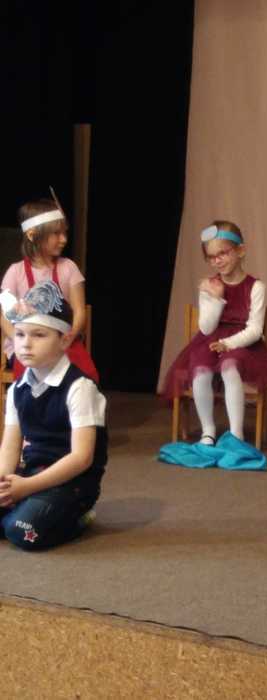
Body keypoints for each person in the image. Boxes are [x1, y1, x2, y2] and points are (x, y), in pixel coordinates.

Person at [0, 281, 107, 550]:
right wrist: (3, 482)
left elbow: (82, 458)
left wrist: (26, 488)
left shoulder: (80, 388)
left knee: (21, 531)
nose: (26, 344)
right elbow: (10, 447)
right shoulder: (17, 389)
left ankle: (80, 517)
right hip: (32, 473)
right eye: (20, 334)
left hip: (72, 483)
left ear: (65, 339)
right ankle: (24, 508)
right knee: (12, 517)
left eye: (39, 335)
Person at [163, 220, 267, 444]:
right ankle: (208, 430)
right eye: (211, 257)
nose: (217, 261)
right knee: (200, 370)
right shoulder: (209, 286)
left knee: (229, 367)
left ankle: (236, 434)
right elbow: (206, 328)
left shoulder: (255, 287)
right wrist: (216, 298)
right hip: (211, 340)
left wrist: (228, 344)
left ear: (240, 251)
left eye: (223, 253)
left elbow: (255, 329)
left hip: (243, 343)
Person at [0, 195, 99, 382]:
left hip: (63, 341)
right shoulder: (15, 272)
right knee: (36, 377)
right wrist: (19, 339)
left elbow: (79, 312)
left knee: (81, 377)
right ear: (34, 235)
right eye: (56, 233)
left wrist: (68, 338)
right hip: (27, 346)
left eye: (64, 233)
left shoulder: (69, 268)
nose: (63, 239)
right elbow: (4, 316)